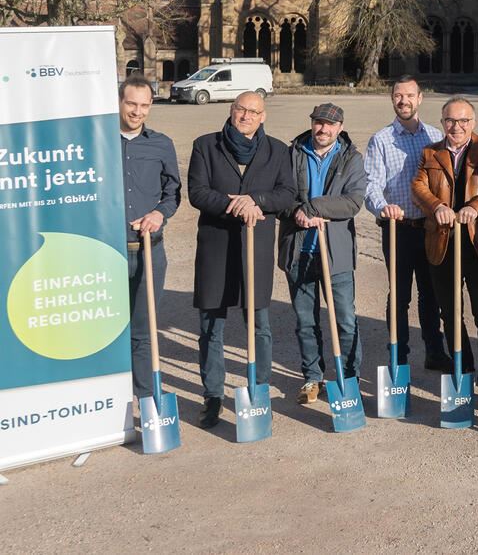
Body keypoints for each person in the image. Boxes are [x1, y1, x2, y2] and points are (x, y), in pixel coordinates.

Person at [187, 91, 295, 428]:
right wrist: (232, 205)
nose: (246, 116)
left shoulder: (277, 150)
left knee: (259, 325)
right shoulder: (205, 145)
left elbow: (286, 194)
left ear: (263, 117)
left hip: (256, 247)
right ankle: (213, 395)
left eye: (253, 111)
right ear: (231, 111)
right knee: (211, 327)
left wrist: (255, 200)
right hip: (217, 246)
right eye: (241, 109)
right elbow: (197, 192)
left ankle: (258, 389)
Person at [411, 96, 478, 411]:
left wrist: (475, 208)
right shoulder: (431, 153)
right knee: (450, 313)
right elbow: (419, 187)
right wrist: (436, 206)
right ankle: (464, 370)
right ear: (442, 123)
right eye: (450, 121)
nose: (456, 126)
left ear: (473, 123)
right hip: (442, 242)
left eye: (463, 121)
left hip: (477, 242)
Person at [278, 103, 367, 405]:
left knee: (344, 319)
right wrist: (296, 212)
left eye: (330, 125)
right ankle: (312, 377)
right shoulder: (292, 153)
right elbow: (281, 195)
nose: (323, 129)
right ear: (312, 123)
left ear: (340, 127)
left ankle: (349, 378)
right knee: (305, 320)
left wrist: (312, 208)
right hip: (298, 250)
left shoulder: (351, 158)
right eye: (319, 123)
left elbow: (353, 202)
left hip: (335, 254)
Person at [364, 75, 449, 371]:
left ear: (420, 98)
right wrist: (382, 206)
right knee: (399, 295)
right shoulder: (381, 139)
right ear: (392, 99)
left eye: (409, 95)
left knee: (431, 292)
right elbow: (371, 184)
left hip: (429, 228)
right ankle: (398, 353)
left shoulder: (436, 136)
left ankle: (435, 351)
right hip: (397, 228)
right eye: (398, 96)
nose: (404, 101)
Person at [118, 74, 182, 403]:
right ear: (119, 102)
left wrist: (159, 214)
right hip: (109, 253)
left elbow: (173, 192)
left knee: (143, 331)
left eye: (144, 105)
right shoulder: (98, 143)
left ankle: (146, 399)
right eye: (131, 103)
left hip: (149, 252)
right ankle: (112, 399)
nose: (137, 111)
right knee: (110, 331)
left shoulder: (161, 144)